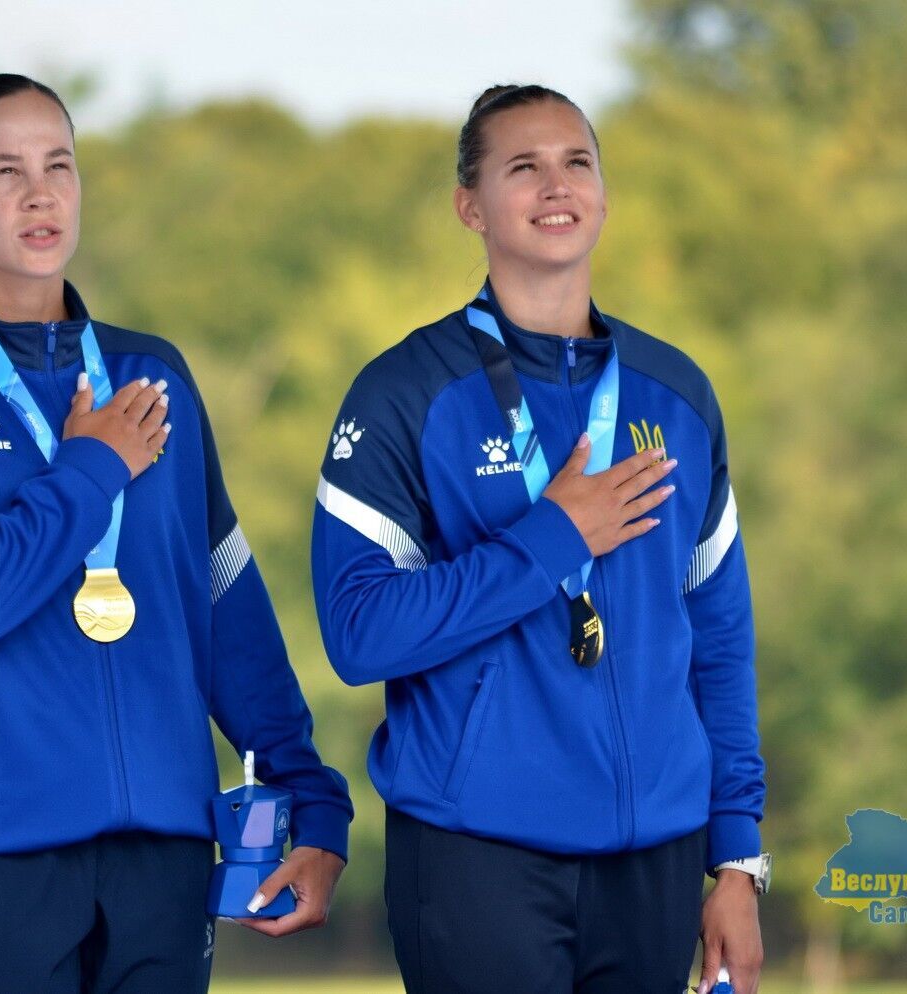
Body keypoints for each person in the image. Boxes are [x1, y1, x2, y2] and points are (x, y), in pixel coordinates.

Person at [0, 74, 351, 994]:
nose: (41, 193)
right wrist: (89, 470)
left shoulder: (151, 376)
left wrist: (310, 799)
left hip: (162, 853)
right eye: (6, 171)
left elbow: (226, 604)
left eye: (59, 166)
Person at [311, 84, 768, 994]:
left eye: (577, 162)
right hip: (477, 852)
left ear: (602, 191)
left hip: (658, 857)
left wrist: (737, 862)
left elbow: (718, 642)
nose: (556, 184)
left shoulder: (676, 395)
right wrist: (552, 537)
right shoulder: (405, 392)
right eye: (524, 166)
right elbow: (358, 633)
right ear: (470, 206)